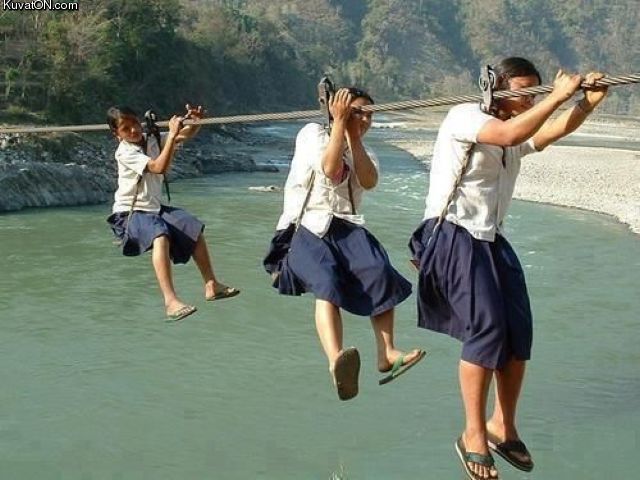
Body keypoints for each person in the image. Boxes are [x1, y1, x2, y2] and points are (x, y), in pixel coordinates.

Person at [409, 57, 608, 480]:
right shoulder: (466, 117)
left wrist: (586, 104)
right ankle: (472, 433)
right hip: (454, 233)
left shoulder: (519, 123)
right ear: (495, 86)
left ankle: (503, 425)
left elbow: (544, 134)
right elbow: (511, 132)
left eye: (534, 90)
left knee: (518, 333)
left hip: (492, 238)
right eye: (522, 89)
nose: (528, 98)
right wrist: (556, 95)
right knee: (487, 330)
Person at [264, 87, 425, 401]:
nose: (364, 119)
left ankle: (387, 353)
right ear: (337, 110)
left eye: (368, 114)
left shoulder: (365, 151)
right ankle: (336, 358)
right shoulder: (311, 134)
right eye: (357, 112)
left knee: (380, 272)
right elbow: (329, 169)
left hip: (347, 228)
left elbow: (368, 181)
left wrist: (353, 137)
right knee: (327, 283)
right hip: (306, 226)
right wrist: (340, 125)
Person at [106, 105, 239, 322]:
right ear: (116, 134)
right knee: (160, 235)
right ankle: (170, 301)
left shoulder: (151, 138)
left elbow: (183, 136)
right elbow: (158, 167)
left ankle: (211, 284)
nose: (133, 131)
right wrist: (171, 136)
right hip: (130, 213)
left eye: (134, 124)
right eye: (125, 129)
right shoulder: (125, 152)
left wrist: (194, 122)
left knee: (191, 226)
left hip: (154, 208)